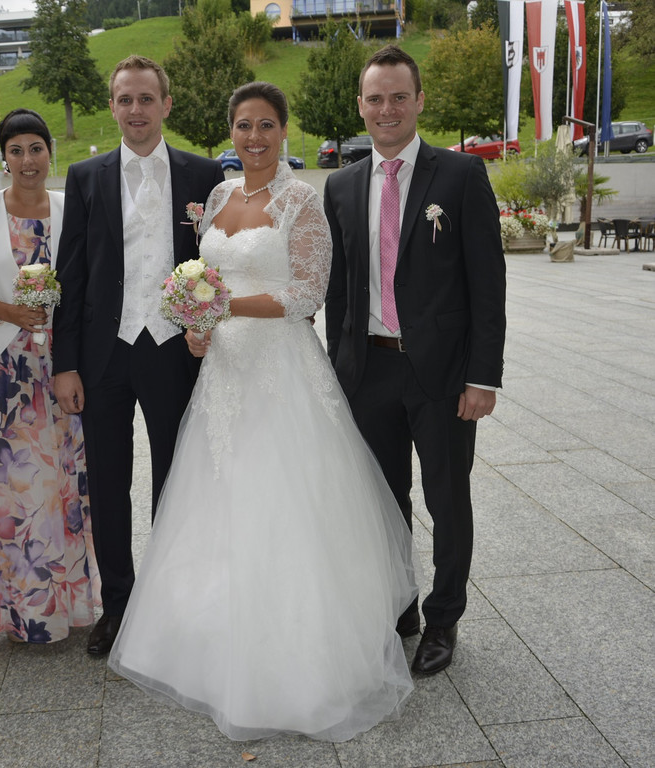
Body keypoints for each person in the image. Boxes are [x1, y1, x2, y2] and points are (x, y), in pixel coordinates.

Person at [108, 82, 418, 742]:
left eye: (266, 125)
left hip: (282, 368)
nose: (254, 137)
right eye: (244, 125)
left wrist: (221, 306)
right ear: (231, 131)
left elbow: (306, 293)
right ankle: (214, 642)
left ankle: (300, 652)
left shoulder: (302, 201)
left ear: (283, 131)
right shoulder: (217, 198)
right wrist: (198, 326)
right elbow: (201, 280)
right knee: (218, 497)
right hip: (222, 370)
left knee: (282, 500)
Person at [323, 46, 506, 675]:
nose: (388, 109)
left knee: (447, 498)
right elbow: (339, 291)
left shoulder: (460, 176)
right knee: (384, 497)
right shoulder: (342, 185)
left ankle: (443, 618)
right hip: (369, 370)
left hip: (444, 375)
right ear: (361, 106)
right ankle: (398, 603)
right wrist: (339, 371)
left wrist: (482, 376)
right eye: (376, 98)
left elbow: (488, 284)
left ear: (419, 100)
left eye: (399, 96)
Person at [52, 55, 225, 656]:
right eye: (125, 99)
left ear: (166, 104)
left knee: (177, 481)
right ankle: (119, 605)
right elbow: (70, 274)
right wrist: (65, 363)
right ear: (112, 106)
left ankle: (173, 604)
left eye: (146, 98)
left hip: (174, 350)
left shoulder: (204, 174)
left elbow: (218, 264)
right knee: (107, 482)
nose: (135, 110)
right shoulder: (85, 176)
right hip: (103, 354)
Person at [0, 108, 99, 643]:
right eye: (16, 151)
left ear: (50, 152)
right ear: (3, 157)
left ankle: (69, 605)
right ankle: (16, 613)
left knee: (62, 484)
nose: (27, 160)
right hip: (0, 372)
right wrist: (3, 310)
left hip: (61, 367)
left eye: (36, 148)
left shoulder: (70, 206)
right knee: (6, 491)